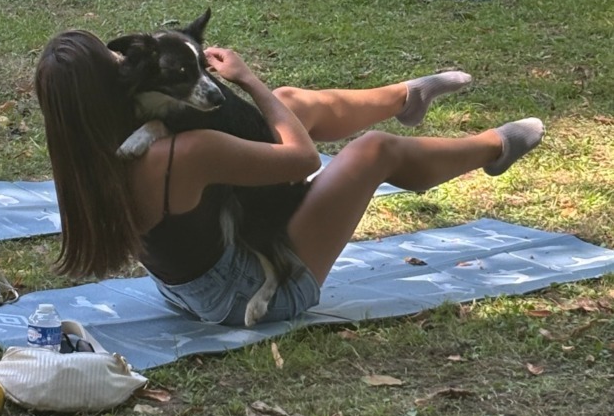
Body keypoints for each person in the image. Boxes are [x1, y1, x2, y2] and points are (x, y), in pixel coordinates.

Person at [35, 31, 545, 327]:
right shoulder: (183, 152)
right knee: (372, 151)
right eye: (116, 59)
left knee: (288, 104)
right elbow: (302, 159)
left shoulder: (83, 154)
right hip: (245, 293)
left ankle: (404, 97)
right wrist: (247, 78)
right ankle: (494, 148)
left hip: (185, 287)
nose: (125, 59)